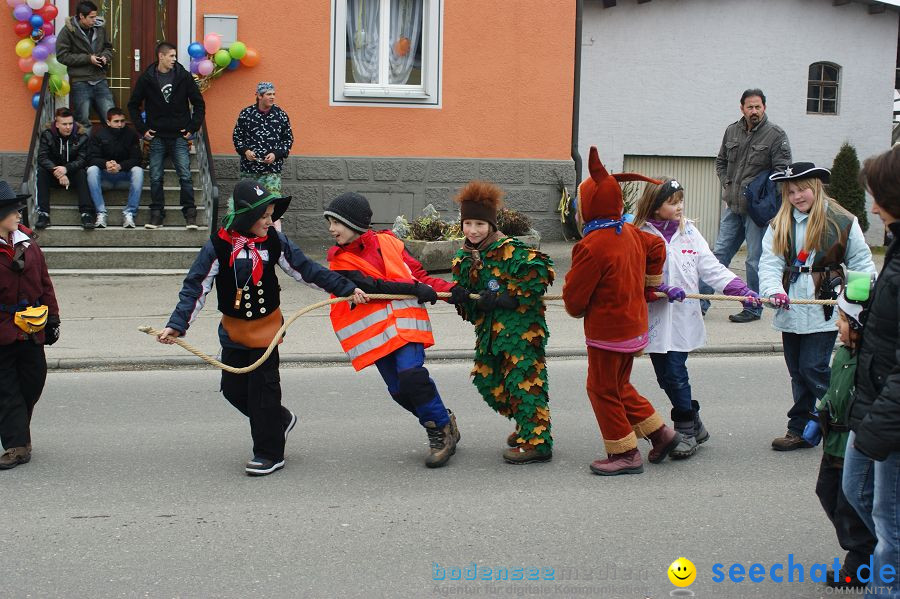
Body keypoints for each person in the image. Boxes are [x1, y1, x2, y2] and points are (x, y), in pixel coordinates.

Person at [156, 180, 366, 477]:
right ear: (245, 217)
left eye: (272, 215)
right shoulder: (218, 245)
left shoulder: (274, 241)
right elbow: (195, 287)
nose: (271, 221)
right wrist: (177, 325)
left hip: (267, 331)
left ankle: (269, 452)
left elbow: (306, 270)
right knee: (233, 390)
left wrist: (346, 287)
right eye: (265, 216)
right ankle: (279, 420)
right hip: (234, 332)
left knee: (263, 392)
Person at [563, 147, 682, 475]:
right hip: (634, 327)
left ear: (589, 206)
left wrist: (577, 307)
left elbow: (574, 300)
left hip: (608, 333)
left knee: (600, 388)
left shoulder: (591, 245)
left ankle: (624, 452)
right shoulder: (630, 232)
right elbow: (656, 246)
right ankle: (661, 434)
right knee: (618, 386)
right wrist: (649, 283)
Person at [323, 192, 461, 468]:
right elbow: (374, 286)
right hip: (377, 335)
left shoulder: (390, 242)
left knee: (412, 377)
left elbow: (419, 277)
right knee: (399, 391)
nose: (331, 229)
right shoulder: (338, 260)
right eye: (330, 222)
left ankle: (439, 432)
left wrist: (454, 290)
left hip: (406, 326)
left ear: (354, 223)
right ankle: (443, 422)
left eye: (336, 223)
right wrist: (414, 289)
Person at [634, 177, 762, 458]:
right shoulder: (640, 234)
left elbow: (712, 269)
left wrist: (741, 290)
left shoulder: (689, 232)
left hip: (682, 320)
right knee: (664, 378)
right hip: (654, 319)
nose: (679, 207)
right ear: (655, 207)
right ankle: (695, 422)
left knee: (676, 374)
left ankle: (687, 431)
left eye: (680, 200)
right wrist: (659, 289)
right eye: (672, 202)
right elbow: (633, 276)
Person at [759, 162, 875, 451]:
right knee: (798, 372)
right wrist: (773, 289)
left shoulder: (842, 220)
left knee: (813, 368)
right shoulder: (779, 223)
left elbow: (862, 264)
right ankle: (799, 427)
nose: (797, 197)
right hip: (791, 308)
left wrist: (856, 307)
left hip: (825, 307)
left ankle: (846, 420)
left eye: (803, 190)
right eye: (791, 192)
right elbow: (770, 263)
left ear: (816, 187)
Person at [450, 181, 555, 464]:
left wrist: (506, 297)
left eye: (480, 224)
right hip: (490, 335)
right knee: (488, 380)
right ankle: (527, 424)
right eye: (468, 223)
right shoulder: (463, 258)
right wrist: (460, 297)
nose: (473, 230)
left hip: (520, 332)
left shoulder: (508, 248)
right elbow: (470, 303)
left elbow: (541, 271)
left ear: (491, 225)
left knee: (523, 382)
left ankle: (537, 441)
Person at [843, 145, 900, 597]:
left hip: (890, 419)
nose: (873, 206)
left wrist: (878, 427)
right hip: (874, 406)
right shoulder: (896, 250)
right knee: (857, 493)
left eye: (879, 196)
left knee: (890, 530)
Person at [700, 88, 792, 323]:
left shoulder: (775, 135)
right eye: (750, 107)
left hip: (756, 211)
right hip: (733, 206)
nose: (754, 111)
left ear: (764, 108)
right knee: (717, 255)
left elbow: (783, 172)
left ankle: (753, 307)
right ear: (742, 108)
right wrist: (727, 183)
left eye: (758, 107)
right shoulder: (732, 131)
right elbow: (720, 162)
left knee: (754, 260)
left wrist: (762, 194)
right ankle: (699, 302)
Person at [809, 274, 877, 590]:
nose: (838, 324)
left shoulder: (869, 360)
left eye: (844, 318)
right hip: (832, 441)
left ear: (861, 325)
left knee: (851, 502)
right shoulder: (844, 353)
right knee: (828, 493)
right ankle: (867, 549)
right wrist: (819, 411)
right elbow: (834, 390)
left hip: (851, 444)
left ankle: (860, 561)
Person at [0, 180, 60, 470]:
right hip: (2, 328)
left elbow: (45, 283)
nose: (19, 215)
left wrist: (53, 318)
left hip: (32, 326)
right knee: (6, 389)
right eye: (13, 211)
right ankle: (16, 445)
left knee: (33, 380)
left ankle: (18, 432)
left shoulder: (28, 243)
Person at [127, 41, 205, 230]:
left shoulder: (183, 76)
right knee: (155, 176)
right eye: (171, 56)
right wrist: (143, 129)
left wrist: (192, 127)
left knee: (185, 176)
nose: (174, 59)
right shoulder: (147, 78)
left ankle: (190, 215)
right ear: (160, 56)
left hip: (179, 135)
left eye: (175, 56)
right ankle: (156, 215)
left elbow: (199, 103)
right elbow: (133, 104)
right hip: (157, 136)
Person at [55, 1, 114, 135]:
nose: (95, 20)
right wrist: (88, 59)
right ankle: (83, 154)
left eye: (95, 16)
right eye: (91, 17)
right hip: (80, 81)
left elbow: (108, 48)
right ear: (81, 16)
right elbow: (62, 56)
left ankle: (112, 152)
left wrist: (105, 56)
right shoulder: (67, 31)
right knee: (83, 122)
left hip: (100, 79)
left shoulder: (100, 28)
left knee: (110, 118)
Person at [35, 108, 93, 230]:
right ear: (57, 124)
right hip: (53, 174)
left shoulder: (82, 137)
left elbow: (83, 160)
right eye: (64, 124)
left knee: (82, 173)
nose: (68, 127)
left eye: (70, 124)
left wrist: (66, 169)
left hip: (72, 174)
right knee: (42, 172)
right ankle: (43, 214)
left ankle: (86, 213)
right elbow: (42, 157)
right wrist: (60, 173)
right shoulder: (48, 135)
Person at [232, 82, 294, 197]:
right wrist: (246, 151)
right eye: (269, 94)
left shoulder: (281, 115)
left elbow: (288, 139)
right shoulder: (246, 113)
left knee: (271, 202)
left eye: (274, 94)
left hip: (272, 171)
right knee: (249, 201)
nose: (272, 97)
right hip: (249, 170)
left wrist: (275, 154)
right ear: (259, 96)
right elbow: (237, 137)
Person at [86, 107, 144, 229]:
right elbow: (91, 158)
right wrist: (106, 164)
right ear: (108, 122)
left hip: (124, 176)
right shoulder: (99, 134)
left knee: (138, 171)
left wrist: (120, 166)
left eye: (122, 121)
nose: (120, 124)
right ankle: (100, 212)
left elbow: (137, 159)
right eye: (116, 121)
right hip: (104, 177)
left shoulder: (131, 135)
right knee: (91, 170)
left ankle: (130, 213)